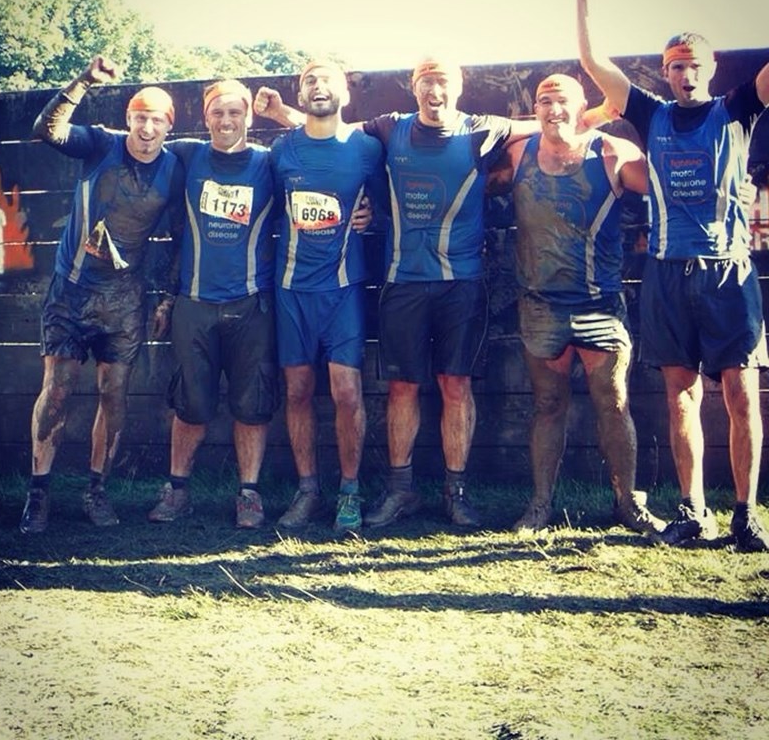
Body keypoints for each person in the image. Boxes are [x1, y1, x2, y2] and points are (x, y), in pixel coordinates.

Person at [257, 57, 546, 528]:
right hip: (401, 279)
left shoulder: (480, 129)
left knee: (455, 386)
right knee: (401, 387)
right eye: (426, 82)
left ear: (458, 86)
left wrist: (593, 116)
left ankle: (455, 493)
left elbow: (547, 123)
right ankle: (398, 491)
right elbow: (328, 131)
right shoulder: (390, 129)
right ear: (414, 87)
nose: (435, 91)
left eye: (443, 82)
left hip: (462, 280)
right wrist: (278, 114)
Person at [576, 0, 769, 551]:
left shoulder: (736, 110)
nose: (686, 74)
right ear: (665, 72)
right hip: (666, 273)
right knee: (680, 394)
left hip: (728, 270)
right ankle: (693, 510)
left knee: (740, 395)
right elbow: (593, 64)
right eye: (676, 66)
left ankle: (745, 515)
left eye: (695, 65)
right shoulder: (650, 113)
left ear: (711, 69)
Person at [19, 55, 184, 534]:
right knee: (57, 390)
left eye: (156, 120)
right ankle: (38, 493)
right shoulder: (101, 144)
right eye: (140, 117)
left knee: (114, 395)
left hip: (124, 302)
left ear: (169, 126)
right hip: (71, 292)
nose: (147, 128)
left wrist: (168, 297)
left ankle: (96, 491)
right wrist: (84, 81)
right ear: (128, 118)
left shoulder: (175, 169)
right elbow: (46, 130)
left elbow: (180, 239)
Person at [500, 72, 665, 534]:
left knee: (613, 402)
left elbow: (668, 187)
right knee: (548, 404)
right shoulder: (518, 153)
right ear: (535, 109)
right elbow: (464, 177)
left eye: (563, 101)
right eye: (544, 101)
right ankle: (540, 506)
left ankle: (627, 503)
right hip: (540, 306)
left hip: (599, 304)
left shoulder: (613, 152)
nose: (554, 109)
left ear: (582, 106)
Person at [146, 80, 280, 529]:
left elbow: (316, 183)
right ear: (205, 118)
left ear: (248, 117)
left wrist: (364, 210)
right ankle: (177, 490)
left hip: (251, 306)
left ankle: (249, 495)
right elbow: (136, 147)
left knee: (253, 403)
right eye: (217, 113)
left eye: (234, 112)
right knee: (191, 403)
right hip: (195, 304)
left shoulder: (268, 162)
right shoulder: (187, 155)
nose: (226, 121)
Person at [268, 61, 387, 534]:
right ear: (300, 95)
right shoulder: (281, 150)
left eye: (328, 81)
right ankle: (308, 491)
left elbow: (387, 205)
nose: (319, 87)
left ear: (346, 93)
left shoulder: (366, 149)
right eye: (310, 81)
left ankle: (350, 492)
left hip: (343, 290)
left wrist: (374, 217)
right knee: (297, 391)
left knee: (346, 392)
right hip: (291, 289)